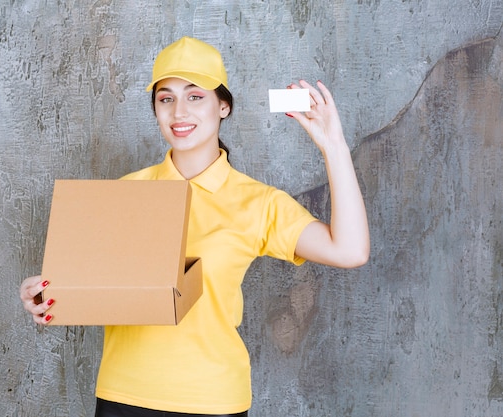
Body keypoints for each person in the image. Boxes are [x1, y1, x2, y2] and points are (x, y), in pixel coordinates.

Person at [20, 36, 369, 417]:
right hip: (124, 396)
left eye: (195, 96)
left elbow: (350, 251)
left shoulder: (259, 202)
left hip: (213, 401)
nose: (178, 112)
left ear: (223, 106)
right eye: (165, 98)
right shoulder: (126, 192)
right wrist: (43, 295)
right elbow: (89, 286)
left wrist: (334, 147)